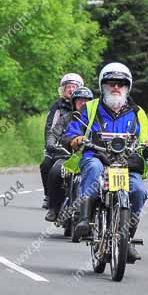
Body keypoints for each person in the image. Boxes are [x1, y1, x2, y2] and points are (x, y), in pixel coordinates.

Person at [62, 62, 148, 263]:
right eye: (111, 83)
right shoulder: (90, 108)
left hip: (127, 164)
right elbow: (71, 131)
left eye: (121, 83)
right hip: (96, 157)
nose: (116, 87)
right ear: (102, 85)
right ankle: (84, 220)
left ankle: (127, 239)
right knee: (94, 169)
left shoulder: (138, 113)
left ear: (127, 87)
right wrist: (75, 139)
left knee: (139, 191)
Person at [44, 86, 94, 222]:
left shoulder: (95, 119)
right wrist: (51, 143)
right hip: (67, 156)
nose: (83, 104)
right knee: (55, 172)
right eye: (79, 101)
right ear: (74, 103)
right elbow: (54, 133)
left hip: (89, 157)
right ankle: (54, 208)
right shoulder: (66, 118)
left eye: (86, 101)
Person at [40, 73, 83, 209]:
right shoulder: (58, 107)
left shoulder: (90, 110)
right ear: (63, 90)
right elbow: (51, 128)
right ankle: (49, 196)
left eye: (74, 87)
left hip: (83, 149)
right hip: (61, 146)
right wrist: (50, 144)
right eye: (68, 87)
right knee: (47, 165)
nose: (71, 89)